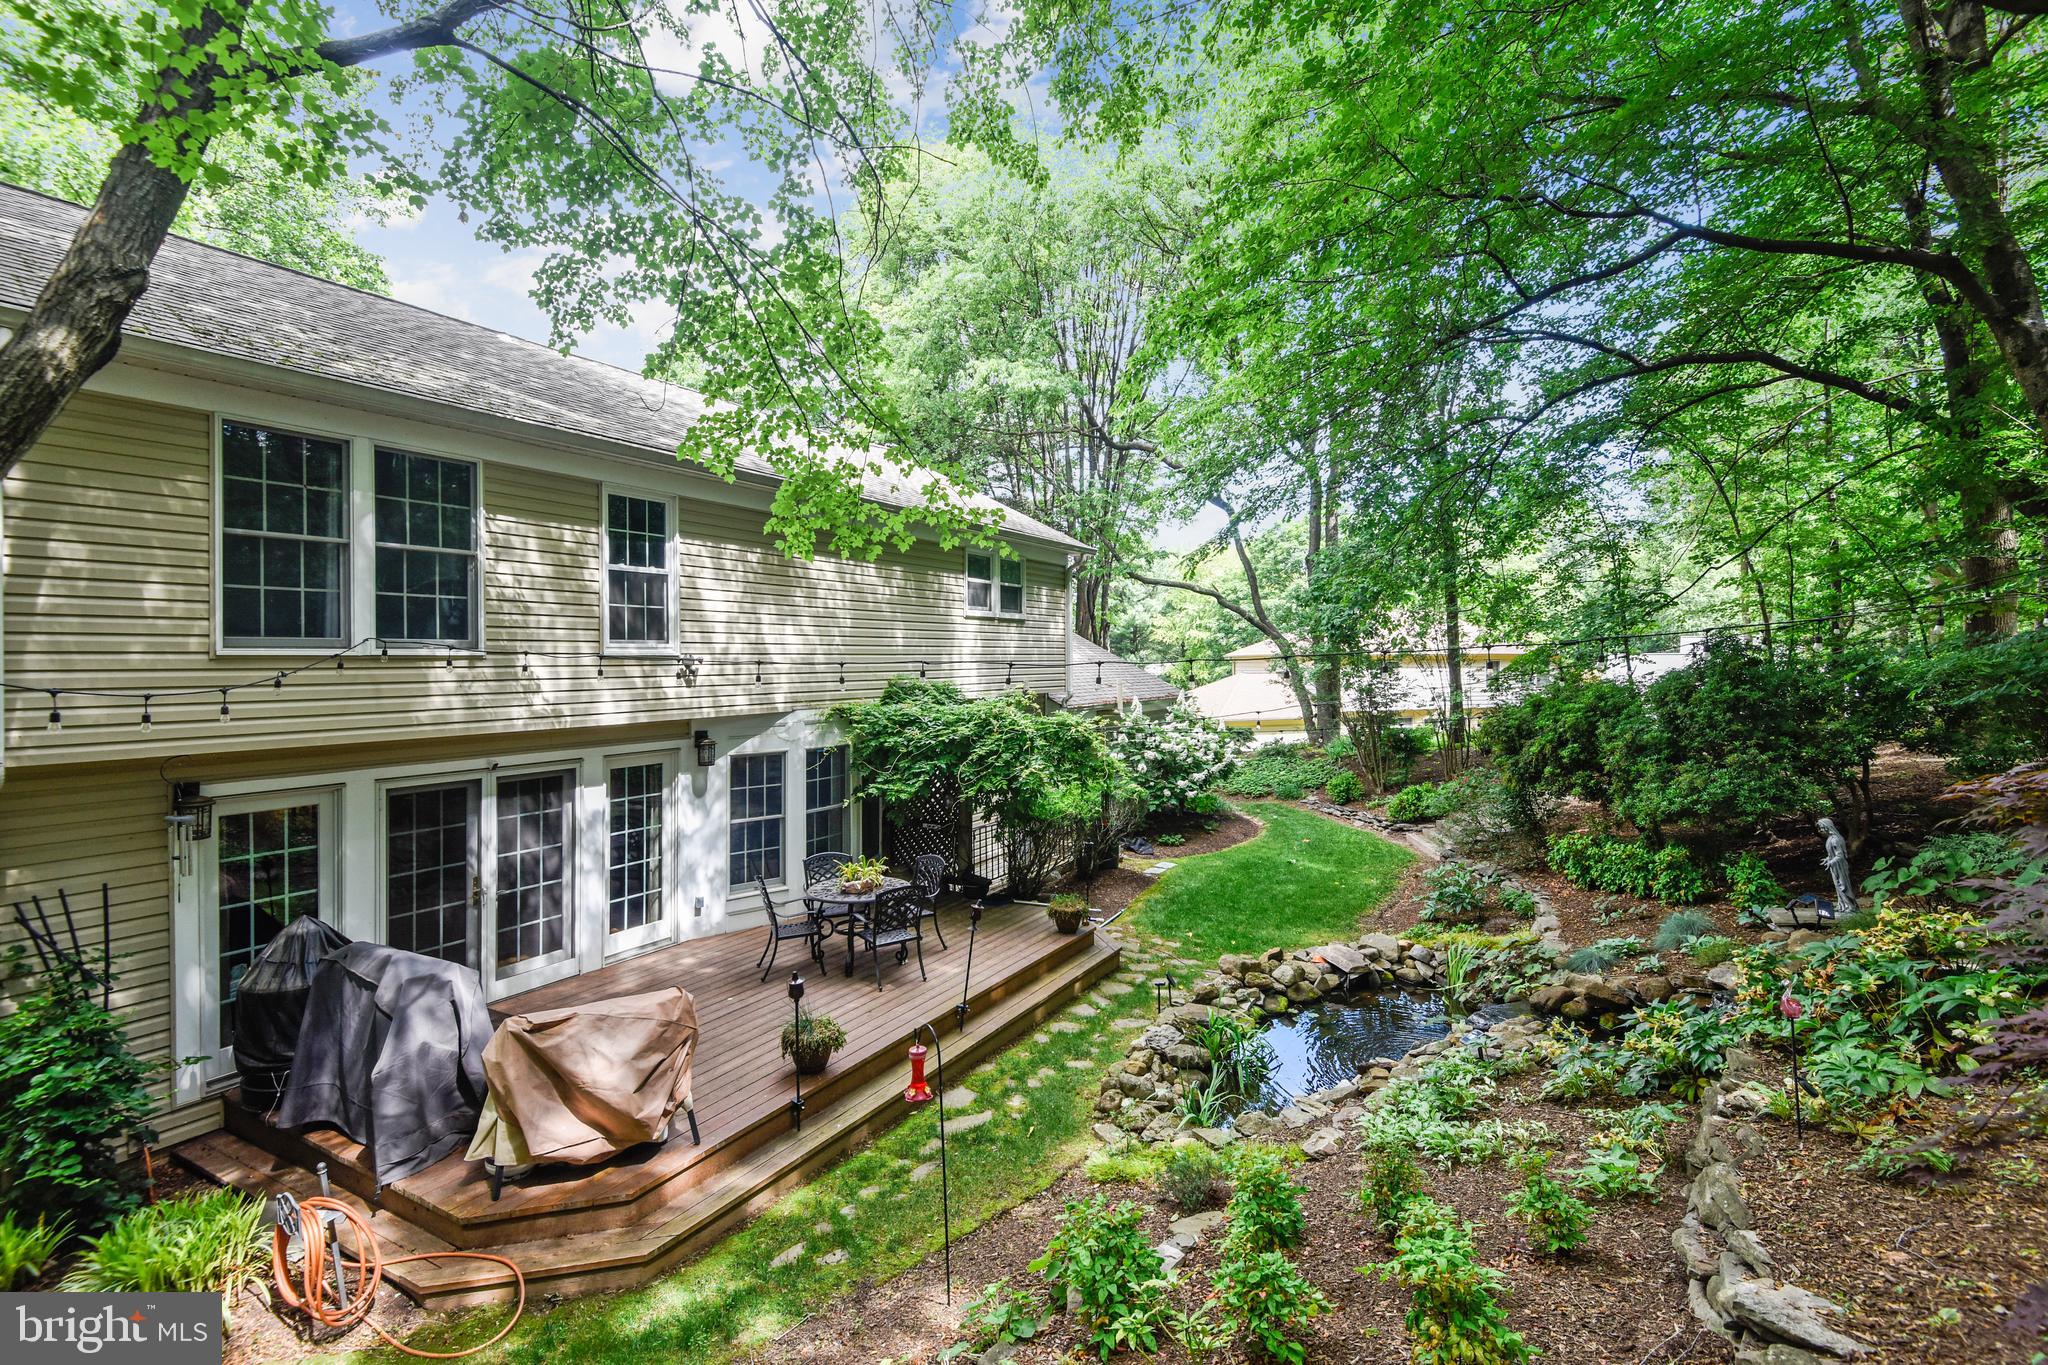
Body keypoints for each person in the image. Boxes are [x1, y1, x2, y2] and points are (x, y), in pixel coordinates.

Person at [1818, 817, 1856, 920]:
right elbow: (1832, 854)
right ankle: (1842, 905)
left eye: (1822, 828)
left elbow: (1840, 855)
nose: (1820, 830)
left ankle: (1850, 906)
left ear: (1828, 827)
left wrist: (1831, 862)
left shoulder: (1836, 839)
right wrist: (1828, 859)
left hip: (1840, 866)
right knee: (1837, 886)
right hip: (1835, 866)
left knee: (1842, 885)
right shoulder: (1830, 838)